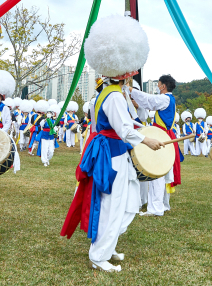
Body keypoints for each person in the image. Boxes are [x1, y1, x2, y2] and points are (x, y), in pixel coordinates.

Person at [61, 15, 164, 273]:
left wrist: (143, 130)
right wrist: (147, 140)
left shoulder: (108, 93)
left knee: (127, 202)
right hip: (112, 154)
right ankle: (99, 254)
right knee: (113, 203)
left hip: (114, 153)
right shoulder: (114, 96)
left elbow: (125, 125)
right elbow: (124, 130)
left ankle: (109, 245)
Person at [129, 74, 181, 217]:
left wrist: (131, 90)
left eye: (158, 84)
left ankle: (156, 208)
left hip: (161, 137)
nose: (157, 86)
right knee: (162, 172)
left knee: (157, 172)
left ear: (163, 86)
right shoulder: (170, 99)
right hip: (164, 136)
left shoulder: (164, 98)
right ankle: (163, 204)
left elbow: (149, 100)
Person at [36, 101, 58, 166]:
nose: (48, 113)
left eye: (50, 113)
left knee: (51, 151)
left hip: (51, 136)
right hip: (44, 135)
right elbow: (41, 125)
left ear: (52, 114)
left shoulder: (54, 121)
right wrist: (45, 120)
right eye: (47, 112)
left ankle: (47, 159)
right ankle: (44, 161)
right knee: (44, 149)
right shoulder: (43, 120)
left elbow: (55, 128)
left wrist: (55, 131)